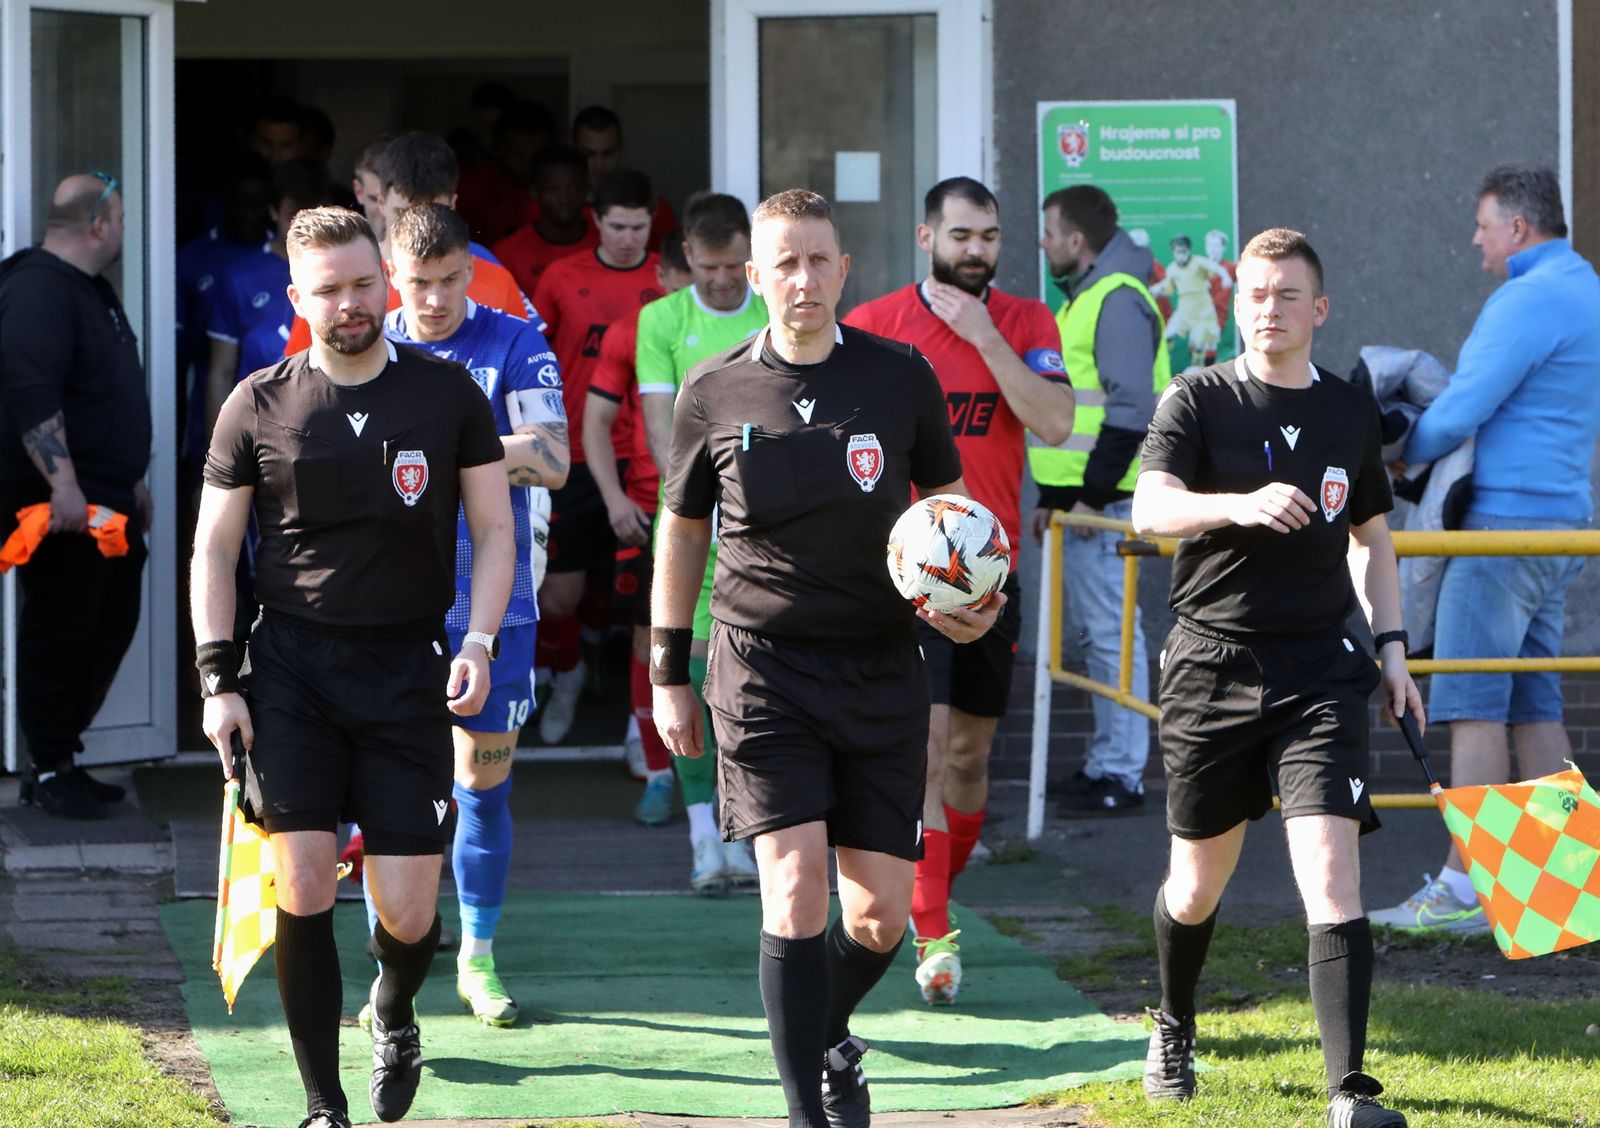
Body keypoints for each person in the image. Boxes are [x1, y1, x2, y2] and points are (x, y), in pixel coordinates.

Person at [652, 188, 1001, 1128]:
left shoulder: (900, 376)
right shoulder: (713, 390)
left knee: (879, 916)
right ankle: (808, 1110)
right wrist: (667, 670)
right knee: (795, 886)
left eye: (819, 261)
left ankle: (825, 1032)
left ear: (844, 270)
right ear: (753, 276)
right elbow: (681, 532)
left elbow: (952, 516)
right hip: (761, 670)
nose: (802, 279)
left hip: (882, 667)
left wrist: (971, 605)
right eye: (784, 263)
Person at [192, 206, 513, 1128]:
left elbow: (494, 529)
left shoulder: (447, 395)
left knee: (408, 913)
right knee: (302, 882)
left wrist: (479, 641)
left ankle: (395, 1010)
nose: (350, 303)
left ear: (387, 281)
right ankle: (322, 1104)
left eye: (364, 283)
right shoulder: (257, 402)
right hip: (291, 670)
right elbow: (214, 548)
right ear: (297, 297)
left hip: (409, 669)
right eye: (328, 290)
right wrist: (218, 681)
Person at [1131, 228, 1420, 1128]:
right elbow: (1148, 508)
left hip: (1319, 673)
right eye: (1255, 294)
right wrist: (1239, 504)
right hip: (1210, 667)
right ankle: (1174, 1022)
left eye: (1288, 295)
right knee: (1195, 886)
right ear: (1235, 304)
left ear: (1318, 309)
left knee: (1331, 874)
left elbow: (1372, 539)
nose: (1270, 309)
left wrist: (1393, 649)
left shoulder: (1348, 411)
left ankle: (1349, 1091)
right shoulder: (1197, 396)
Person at [844, 176, 1072, 1006]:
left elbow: (1054, 422)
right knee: (929, 754)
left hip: (990, 575)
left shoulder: (1027, 321)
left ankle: (935, 888)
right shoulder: (874, 325)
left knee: (970, 762)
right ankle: (934, 936)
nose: (976, 250)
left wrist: (983, 335)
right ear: (926, 238)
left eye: (990, 237)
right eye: (961, 235)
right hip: (907, 580)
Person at [1371, 165, 1600, 936]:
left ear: (1518, 228)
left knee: (1471, 702)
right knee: (1535, 705)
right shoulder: (1585, 287)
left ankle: (1463, 889)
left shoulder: (1527, 297)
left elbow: (1463, 406)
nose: (1476, 240)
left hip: (1502, 527)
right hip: (1560, 525)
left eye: (1483, 225)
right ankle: (1565, 896)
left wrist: (1400, 456)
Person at [381, 202, 569, 1027]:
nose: (434, 299)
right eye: (418, 282)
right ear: (392, 273)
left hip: (497, 606)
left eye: (450, 280)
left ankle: (477, 958)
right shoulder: (365, 342)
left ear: (471, 271)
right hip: (382, 606)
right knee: (388, 789)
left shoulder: (514, 341)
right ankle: (393, 967)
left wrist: (443, 451)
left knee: (482, 787)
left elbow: (554, 457)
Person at [627, 193, 771, 888]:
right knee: (684, 677)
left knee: (748, 688)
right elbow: (663, 429)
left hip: (762, 530)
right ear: (687, 256)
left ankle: (744, 835)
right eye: (708, 267)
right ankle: (702, 838)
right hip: (690, 526)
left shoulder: (771, 312)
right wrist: (699, 506)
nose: (721, 280)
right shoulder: (660, 319)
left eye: (733, 266)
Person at [0, 173, 152, 820]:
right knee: (62, 630)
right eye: (120, 219)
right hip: (63, 509)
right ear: (99, 225)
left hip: (108, 498)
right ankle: (50, 767)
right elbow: (30, 389)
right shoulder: (39, 289)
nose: (123, 232)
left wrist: (133, 478)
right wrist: (62, 484)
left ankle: (62, 756)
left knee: (106, 623)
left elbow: (106, 392)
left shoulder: (89, 289)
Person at [1030, 185, 1169, 817]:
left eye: (1049, 233)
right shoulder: (1090, 296)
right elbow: (1074, 413)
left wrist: (1085, 498)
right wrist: (1056, 497)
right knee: (1098, 639)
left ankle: (1122, 775)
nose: (1044, 244)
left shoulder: (1113, 299)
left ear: (1077, 240)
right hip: (1086, 507)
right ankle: (1105, 763)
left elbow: (1131, 409)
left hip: (1105, 507)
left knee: (1112, 639)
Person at [531, 168, 663, 744]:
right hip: (575, 454)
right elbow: (533, 358)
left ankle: (644, 728)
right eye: (617, 226)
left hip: (645, 458)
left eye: (638, 227)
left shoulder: (666, 280)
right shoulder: (562, 276)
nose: (628, 238)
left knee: (650, 604)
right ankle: (568, 672)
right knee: (558, 595)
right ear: (596, 220)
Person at [586, 230, 692, 820]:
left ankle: (721, 784)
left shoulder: (752, 323)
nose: (706, 292)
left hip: (733, 513)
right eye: (690, 281)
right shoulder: (635, 331)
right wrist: (614, 500)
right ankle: (657, 773)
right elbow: (595, 423)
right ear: (665, 276)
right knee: (652, 642)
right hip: (652, 513)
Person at [282, 131, 538, 354]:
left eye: (433, 213)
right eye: (403, 213)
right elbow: (302, 374)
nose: (417, 227)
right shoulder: (336, 280)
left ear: (453, 204)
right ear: (380, 202)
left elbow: (528, 364)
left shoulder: (496, 279)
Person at [493, 145, 599, 299]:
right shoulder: (508, 253)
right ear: (534, 191)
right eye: (552, 189)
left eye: (573, 189)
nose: (564, 199)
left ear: (586, 190)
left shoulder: (606, 244)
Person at [571, 105, 676, 250]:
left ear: (621, 149)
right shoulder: (556, 208)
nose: (599, 165)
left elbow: (672, 261)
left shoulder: (654, 208)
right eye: (589, 155)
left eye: (608, 154)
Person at [1150, 234, 1230, 370]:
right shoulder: (1172, 269)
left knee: (1197, 343)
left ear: (1189, 250)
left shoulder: (1198, 262)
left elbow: (1218, 268)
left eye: (1184, 251)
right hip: (1184, 310)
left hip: (1202, 311)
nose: (1181, 255)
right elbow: (1168, 289)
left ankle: (1197, 369)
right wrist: (1156, 290)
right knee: (1167, 336)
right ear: (1173, 253)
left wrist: (1226, 277)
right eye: (1178, 252)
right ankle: (1161, 363)